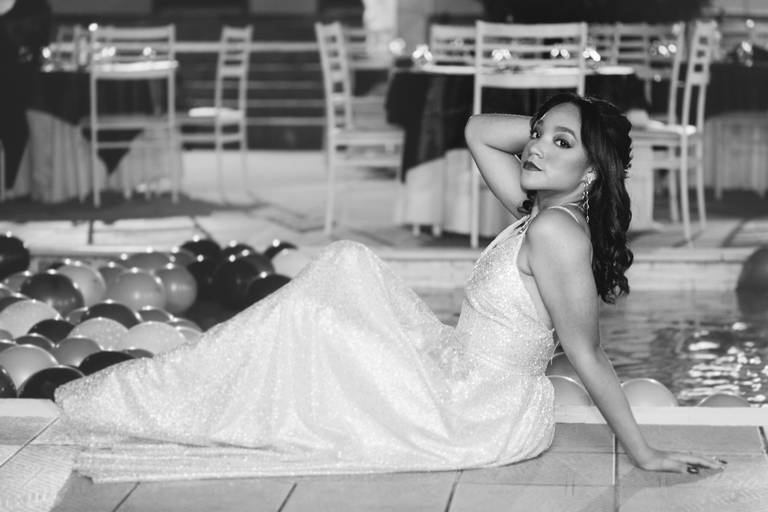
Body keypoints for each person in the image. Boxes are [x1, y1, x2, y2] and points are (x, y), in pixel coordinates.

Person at [54, 93, 724, 483]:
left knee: (315, 318)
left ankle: (171, 398)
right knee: (345, 268)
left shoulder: (554, 232)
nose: (535, 148)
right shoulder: (537, 211)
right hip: (457, 373)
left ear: (592, 172)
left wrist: (645, 453)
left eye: (561, 143)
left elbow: (586, 353)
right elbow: (476, 131)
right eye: (539, 135)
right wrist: (558, 130)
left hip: (480, 410)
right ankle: (183, 396)